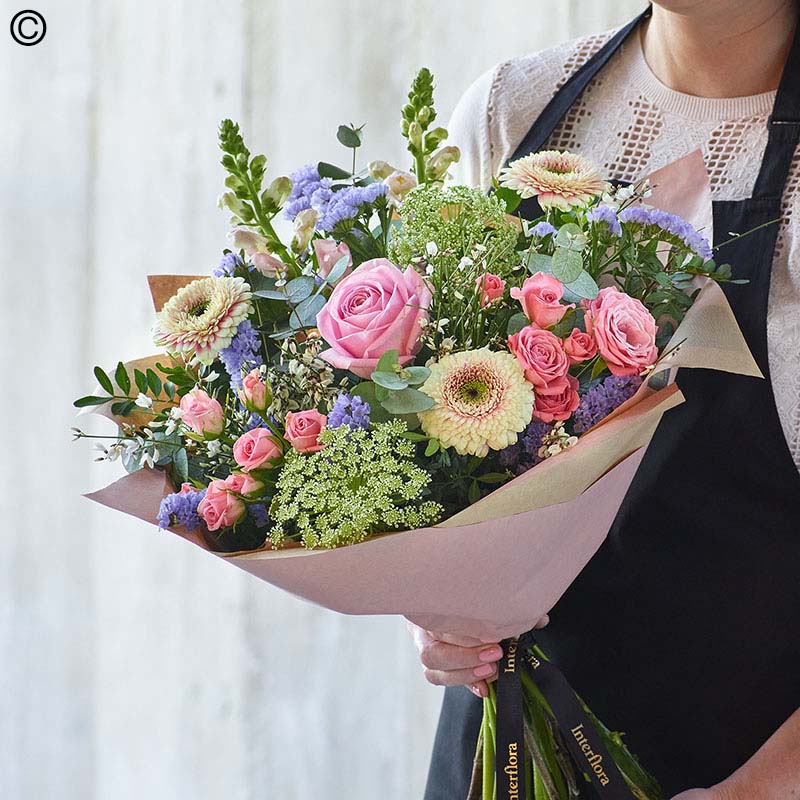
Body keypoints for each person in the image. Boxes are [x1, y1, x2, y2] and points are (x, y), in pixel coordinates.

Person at [413, 2, 800, 798]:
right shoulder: (514, 111)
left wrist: (757, 791)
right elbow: (429, 448)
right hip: (500, 754)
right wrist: (442, 612)